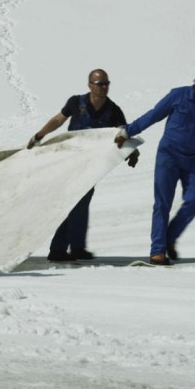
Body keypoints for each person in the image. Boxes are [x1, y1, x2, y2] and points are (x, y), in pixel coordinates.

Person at [115, 66, 195, 266]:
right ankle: (157, 251)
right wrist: (127, 131)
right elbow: (153, 115)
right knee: (162, 203)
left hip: (192, 158)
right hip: (168, 155)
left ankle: (169, 238)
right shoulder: (178, 95)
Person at [27, 69, 140, 262]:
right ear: (90, 85)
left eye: (106, 83)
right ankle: (58, 249)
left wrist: (133, 151)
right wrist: (39, 135)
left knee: (82, 203)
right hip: (70, 161)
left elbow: (123, 132)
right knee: (73, 202)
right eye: (100, 84)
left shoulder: (113, 109)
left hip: (92, 164)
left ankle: (77, 247)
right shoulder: (76, 102)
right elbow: (58, 120)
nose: (104, 87)